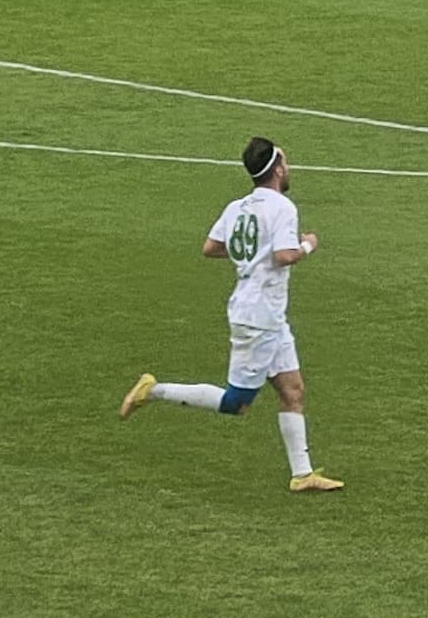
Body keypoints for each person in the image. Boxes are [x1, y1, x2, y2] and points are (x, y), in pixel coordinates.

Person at [120, 137, 344, 490]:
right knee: (236, 403)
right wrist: (308, 245)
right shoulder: (282, 208)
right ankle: (153, 390)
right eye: (286, 162)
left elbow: (211, 248)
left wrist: (250, 255)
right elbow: (286, 255)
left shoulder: (237, 207)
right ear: (278, 168)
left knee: (293, 391)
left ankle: (303, 474)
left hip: (266, 314)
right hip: (258, 318)